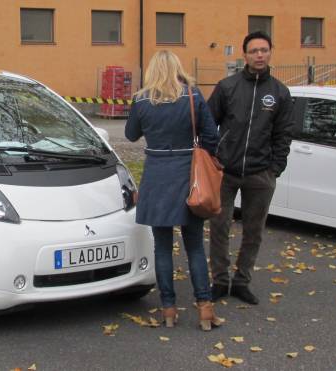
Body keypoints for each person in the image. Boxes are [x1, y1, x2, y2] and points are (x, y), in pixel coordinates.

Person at [125, 50, 221, 331]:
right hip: (189, 177)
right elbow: (211, 136)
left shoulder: (141, 100)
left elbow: (130, 135)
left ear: (151, 71)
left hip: (156, 177)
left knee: (163, 248)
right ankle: (205, 308)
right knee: (194, 246)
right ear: (178, 67)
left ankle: (168, 309)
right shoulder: (192, 96)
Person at [207, 31, 294, 305]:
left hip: (260, 174)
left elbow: (284, 134)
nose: (259, 55)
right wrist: (212, 158)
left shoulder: (280, 92)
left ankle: (242, 281)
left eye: (264, 50)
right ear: (244, 55)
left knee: (253, 231)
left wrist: (275, 168)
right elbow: (208, 126)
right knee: (219, 227)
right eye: (254, 50)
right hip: (226, 172)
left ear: (270, 53)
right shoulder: (227, 87)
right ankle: (220, 280)